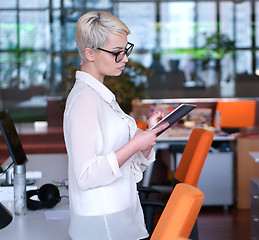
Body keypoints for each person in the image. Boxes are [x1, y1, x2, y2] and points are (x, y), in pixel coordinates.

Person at [63, 10, 168, 240]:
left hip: (117, 215)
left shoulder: (101, 96)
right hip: (103, 223)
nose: (125, 59)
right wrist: (135, 144)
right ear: (89, 53)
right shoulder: (85, 99)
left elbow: (130, 167)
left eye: (126, 50)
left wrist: (146, 137)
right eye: (117, 53)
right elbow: (87, 175)